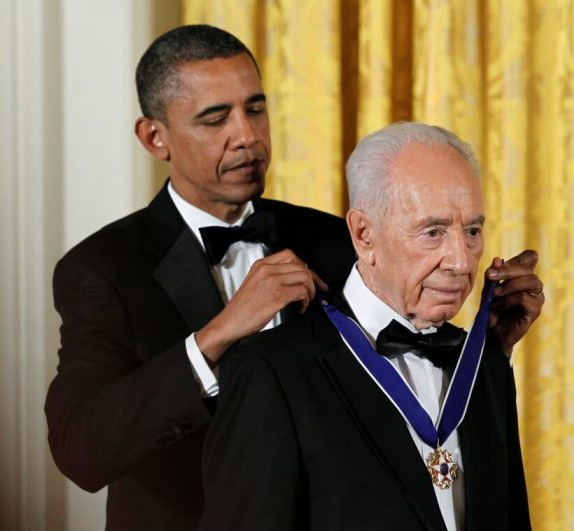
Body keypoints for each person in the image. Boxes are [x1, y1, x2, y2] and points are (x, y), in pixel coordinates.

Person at [44, 25, 355, 530]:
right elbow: (81, 448)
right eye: (215, 119)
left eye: (255, 109)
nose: (248, 136)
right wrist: (218, 334)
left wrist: (484, 348)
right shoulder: (101, 268)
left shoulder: (334, 240)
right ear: (154, 137)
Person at [199, 122, 543, 531]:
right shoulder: (273, 371)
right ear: (364, 234)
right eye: (433, 232)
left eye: (471, 231)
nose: (462, 261)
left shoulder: (483, 362)